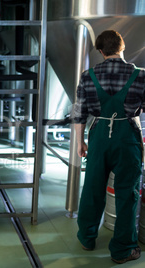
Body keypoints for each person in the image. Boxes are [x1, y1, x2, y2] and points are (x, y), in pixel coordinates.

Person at [73, 30, 145, 264]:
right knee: (127, 193)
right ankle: (123, 250)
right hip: (129, 137)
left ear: (101, 51)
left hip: (100, 135)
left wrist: (79, 142)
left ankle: (86, 237)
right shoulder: (141, 76)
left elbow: (78, 113)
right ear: (122, 48)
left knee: (93, 188)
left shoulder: (87, 76)